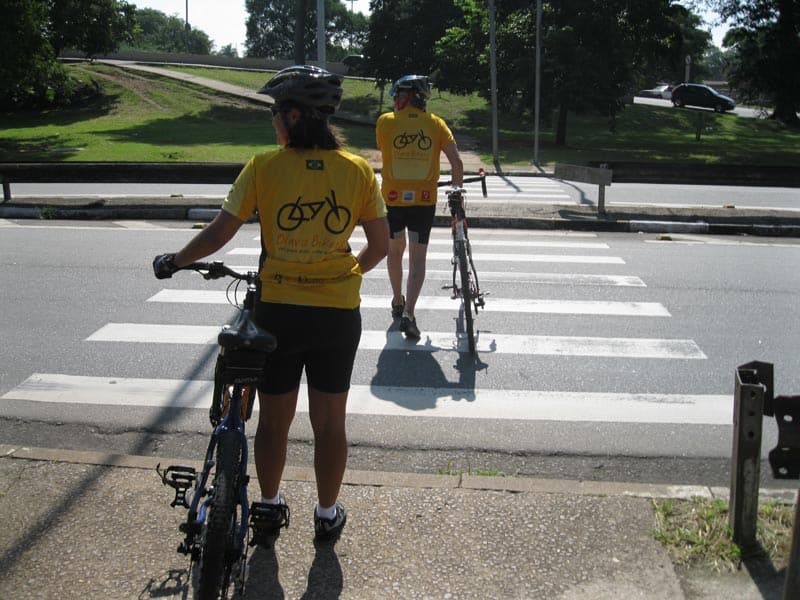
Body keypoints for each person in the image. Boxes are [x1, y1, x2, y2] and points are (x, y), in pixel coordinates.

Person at [152, 65, 388, 543]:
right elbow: (381, 246)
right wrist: (341, 278)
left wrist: (175, 261)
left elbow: (219, 233)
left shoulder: (263, 166)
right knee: (330, 423)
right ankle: (326, 514)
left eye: (276, 112)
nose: (273, 121)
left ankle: (267, 505)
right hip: (337, 316)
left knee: (274, 420)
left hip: (278, 311)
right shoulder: (358, 170)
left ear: (295, 116)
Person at [376, 74, 463, 339]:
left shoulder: (385, 122)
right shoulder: (436, 124)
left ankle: (396, 300)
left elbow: (383, 147)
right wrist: (456, 194)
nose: (394, 100)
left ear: (405, 96)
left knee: (394, 252)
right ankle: (409, 313)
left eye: (396, 96)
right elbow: (457, 163)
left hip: (392, 200)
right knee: (417, 258)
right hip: (424, 201)